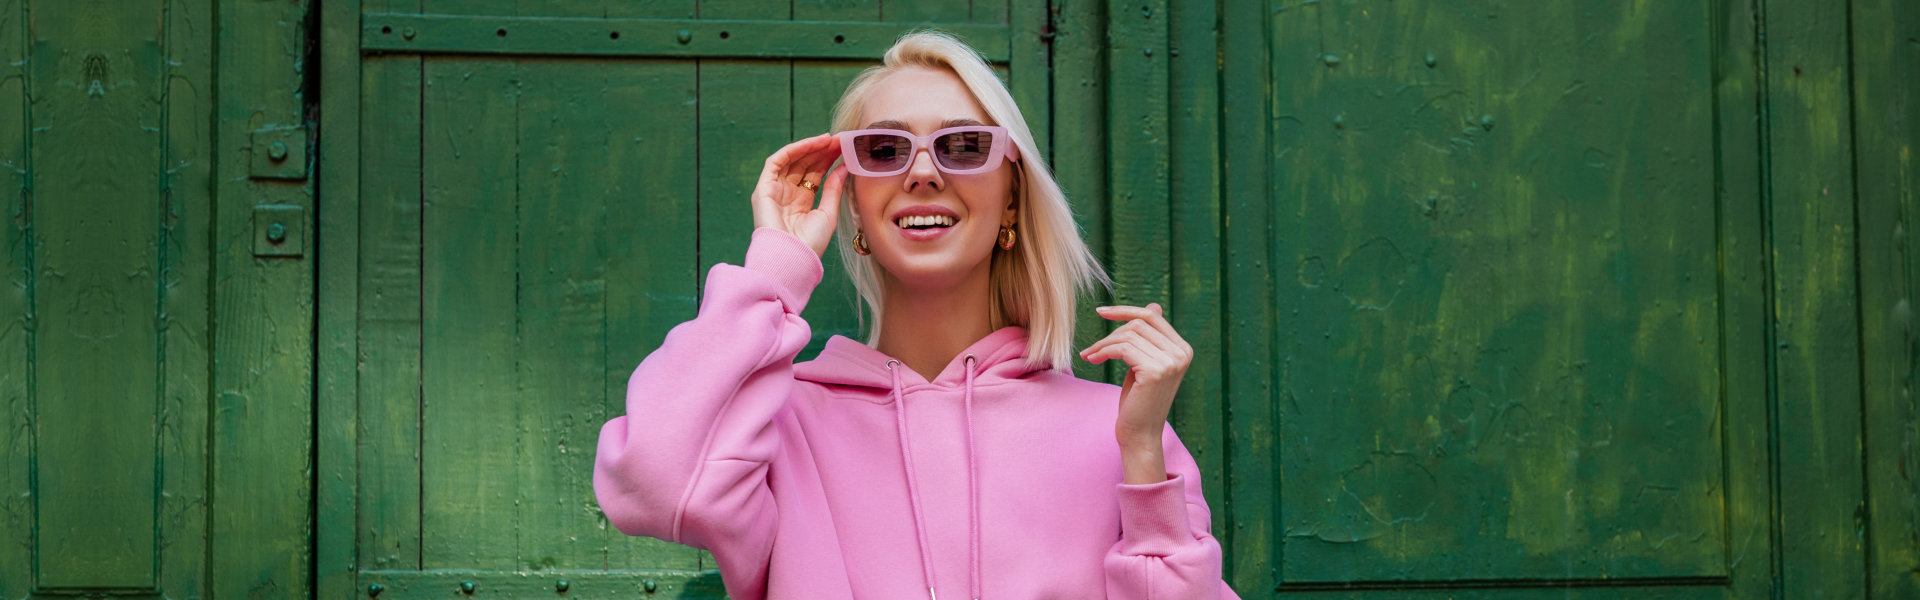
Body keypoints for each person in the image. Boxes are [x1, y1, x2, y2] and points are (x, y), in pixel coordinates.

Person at [592, 29, 1239, 600]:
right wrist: (772, 274)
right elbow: (652, 484)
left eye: (962, 145)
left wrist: (1142, 456)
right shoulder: (776, 427)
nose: (923, 173)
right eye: (883, 150)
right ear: (853, 205)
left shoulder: (1116, 433)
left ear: (1011, 198)